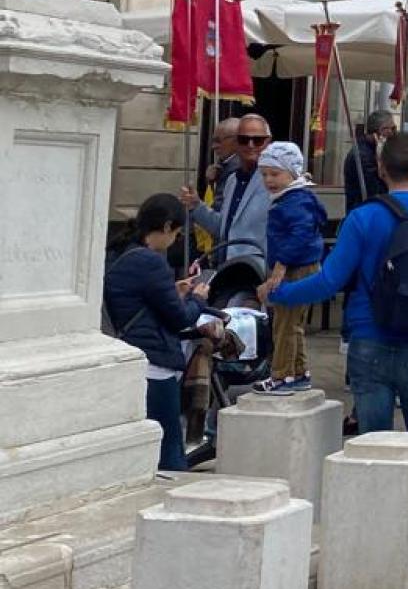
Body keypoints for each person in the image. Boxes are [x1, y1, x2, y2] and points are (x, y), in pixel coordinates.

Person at [268, 131, 408, 563]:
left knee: (370, 445)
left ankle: (373, 536)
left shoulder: (363, 218)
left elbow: (330, 280)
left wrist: (279, 295)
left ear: (380, 170)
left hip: (369, 341)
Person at [104, 193, 211, 471]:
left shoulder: (119, 252)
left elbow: (134, 297)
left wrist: (172, 291)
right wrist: (197, 299)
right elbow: (179, 319)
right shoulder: (151, 262)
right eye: (176, 233)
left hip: (131, 354)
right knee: (170, 450)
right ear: (165, 227)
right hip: (155, 364)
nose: (175, 240)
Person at [251, 142, 327, 393]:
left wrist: (280, 266)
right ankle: (299, 372)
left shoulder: (293, 201)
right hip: (303, 266)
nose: (269, 180)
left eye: (275, 174)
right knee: (294, 323)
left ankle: (282, 375)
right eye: (264, 174)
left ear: (292, 172)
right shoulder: (297, 198)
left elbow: (300, 234)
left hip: (295, 268)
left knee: (283, 324)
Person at [182, 112, 273, 272]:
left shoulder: (276, 181)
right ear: (236, 142)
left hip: (259, 273)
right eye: (244, 139)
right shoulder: (232, 181)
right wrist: (197, 206)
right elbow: (225, 229)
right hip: (226, 269)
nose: (250, 145)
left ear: (268, 142)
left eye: (257, 140)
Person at [343, 110, 393, 210]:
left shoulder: (371, 150)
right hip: (364, 212)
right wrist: (381, 160)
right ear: (381, 130)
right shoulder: (363, 156)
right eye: (391, 129)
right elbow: (376, 191)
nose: (393, 133)